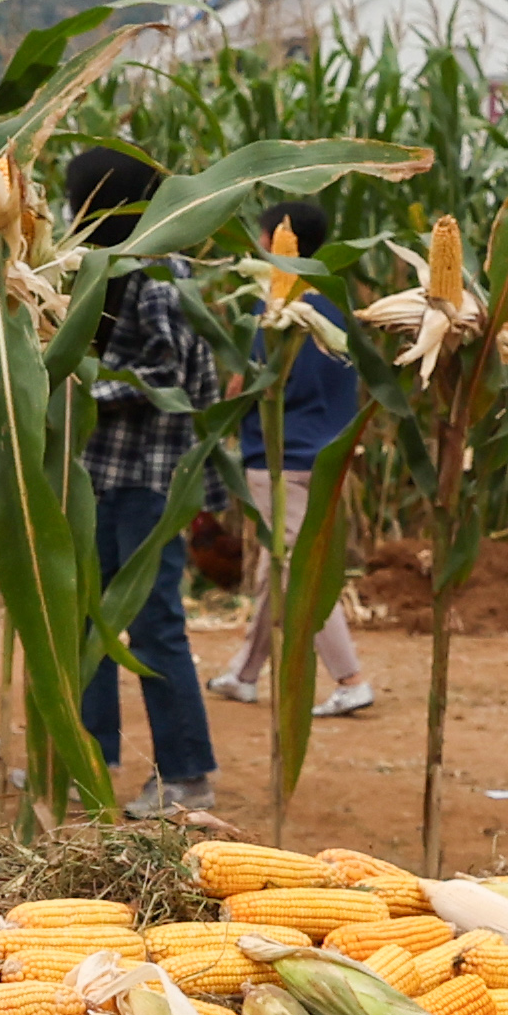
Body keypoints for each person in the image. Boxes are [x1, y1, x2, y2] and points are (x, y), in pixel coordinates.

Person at [63, 145, 225, 824]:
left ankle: (187, 777)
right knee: (87, 620)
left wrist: (77, 385)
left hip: (151, 482)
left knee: (155, 624)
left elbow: (168, 381)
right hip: (99, 475)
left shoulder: (158, 278)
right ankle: (90, 759)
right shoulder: (105, 270)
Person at [210, 197, 376, 718]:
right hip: (329, 453)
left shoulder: (274, 311)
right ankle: (244, 673)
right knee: (275, 567)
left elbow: (257, 383)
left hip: (280, 459)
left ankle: (350, 678)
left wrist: (230, 405)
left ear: (275, 241)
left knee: (301, 569)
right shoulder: (334, 300)